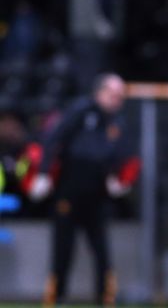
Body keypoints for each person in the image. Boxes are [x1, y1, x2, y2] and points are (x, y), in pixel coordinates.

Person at [29, 73, 140, 306]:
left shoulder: (118, 122)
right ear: (99, 92)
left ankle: (105, 298)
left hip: (97, 195)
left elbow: (122, 156)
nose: (117, 100)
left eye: (121, 96)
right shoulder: (81, 110)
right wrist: (43, 174)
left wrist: (117, 179)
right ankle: (55, 296)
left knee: (102, 249)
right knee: (63, 248)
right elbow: (54, 139)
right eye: (112, 95)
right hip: (70, 189)